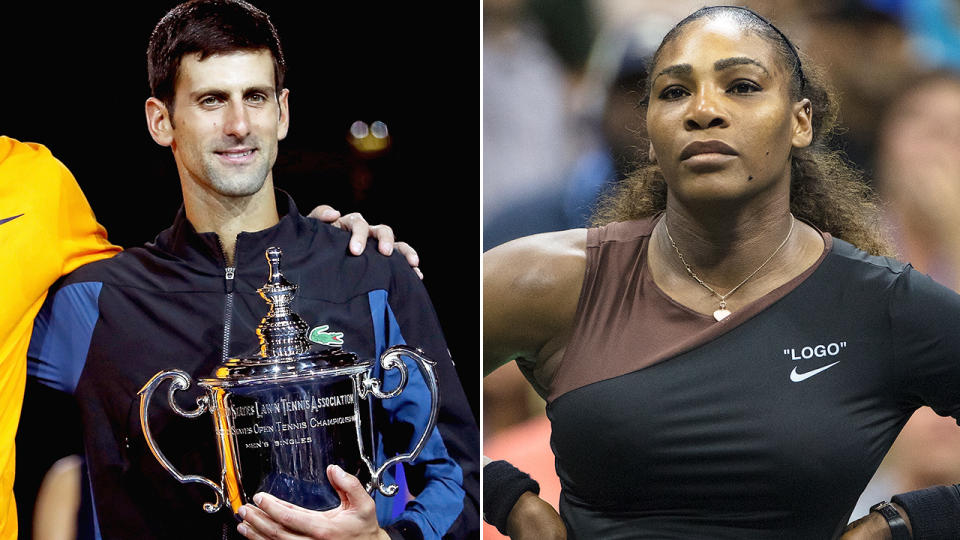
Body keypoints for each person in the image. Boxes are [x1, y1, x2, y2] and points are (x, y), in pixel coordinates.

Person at [484, 5, 960, 539]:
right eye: (673, 92)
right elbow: (377, 398)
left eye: (742, 86)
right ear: (649, 133)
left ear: (800, 121)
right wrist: (505, 497)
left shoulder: (882, 305)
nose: (703, 110)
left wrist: (904, 524)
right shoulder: (546, 280)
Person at [25, 1, 479, 539]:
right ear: (161, 120)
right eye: (212, 100)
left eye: (256, 97)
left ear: (282, 112)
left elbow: (460, 484)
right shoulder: (94, 302)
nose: (239, 125)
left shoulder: (369, 272)